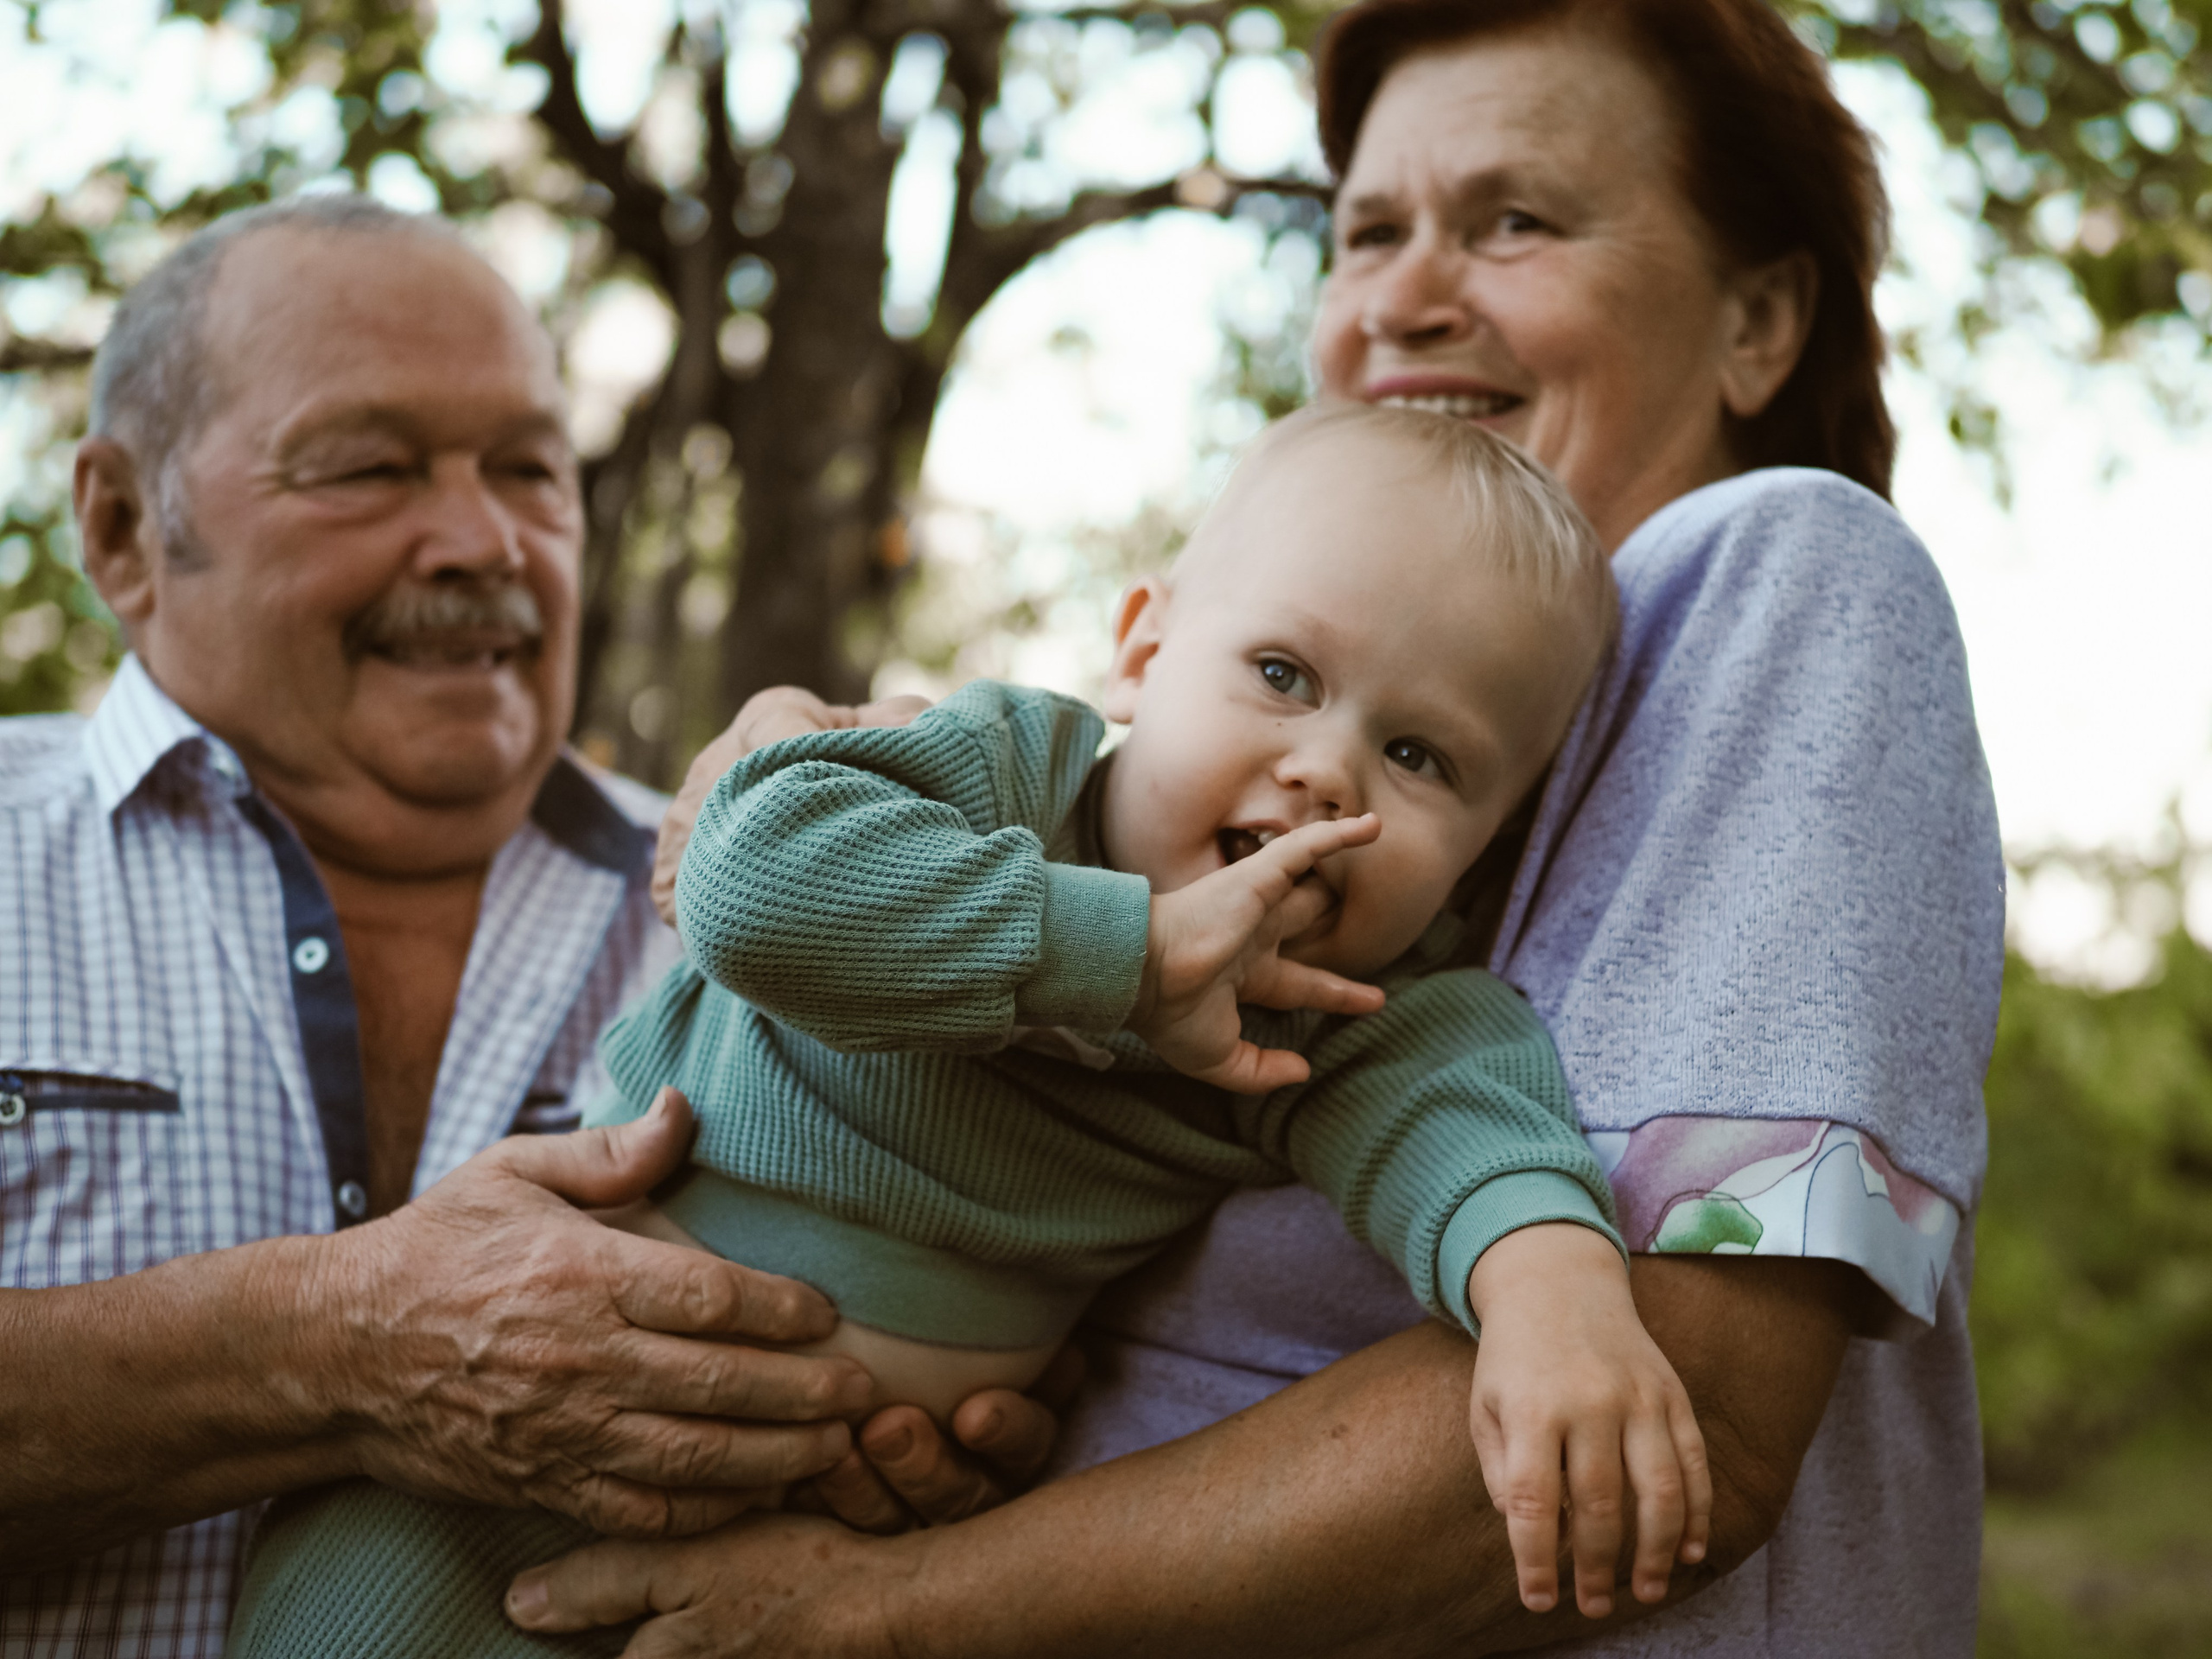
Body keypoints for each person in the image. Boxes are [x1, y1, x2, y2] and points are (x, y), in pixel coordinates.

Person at [501, 0, 2005, 1653]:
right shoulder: (1231, 742)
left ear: (1761, 317)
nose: (1405, 298)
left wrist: (893, 1607)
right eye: (1365, 231)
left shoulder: (1777, 574)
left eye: (1515, 221)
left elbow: (1687, 1410)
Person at [224, 404, 1711, 1656]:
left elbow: (1467, 1126)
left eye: (1420, 754)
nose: (1325, 769)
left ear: (1490, 842)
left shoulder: (1335, 1010)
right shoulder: (1004, 771)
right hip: (521, 1414)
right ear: (1141, 654)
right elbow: (749, 880)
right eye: (1281, 676)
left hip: (817, 1531)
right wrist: (1119, 952)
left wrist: (1554, 1293)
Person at [0, 196, 1035, 1659]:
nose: (485, 540)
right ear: (121, 528)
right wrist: (339, 1344)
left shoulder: (762, 919)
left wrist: (917, 1484)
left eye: (532, 473)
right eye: (368, 468)